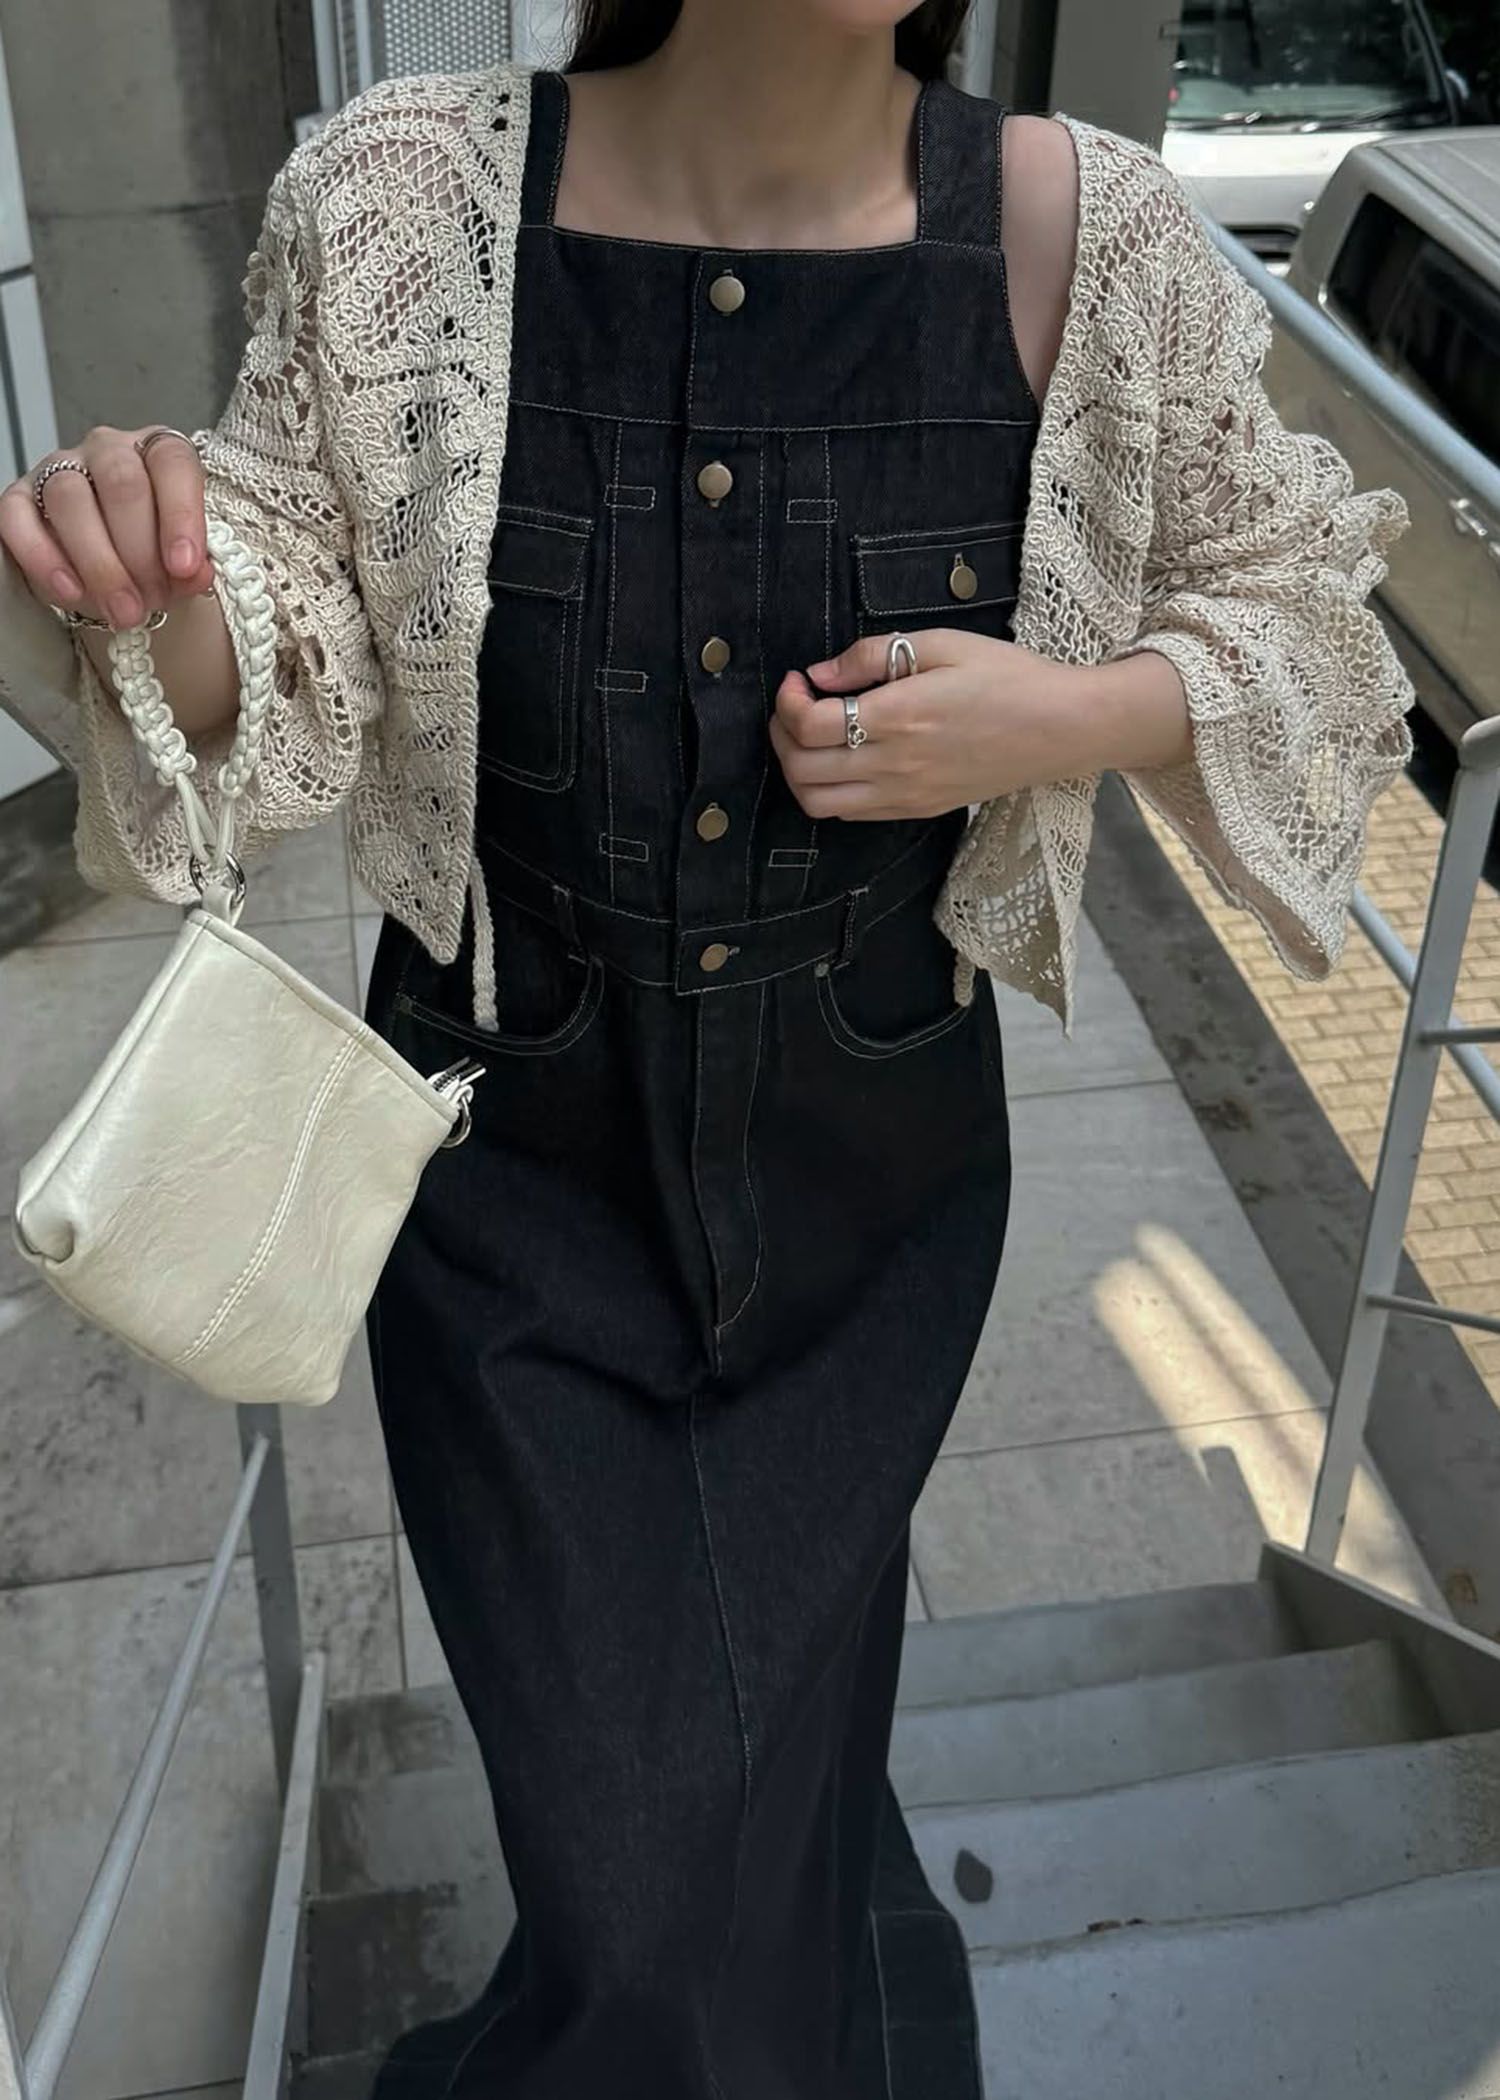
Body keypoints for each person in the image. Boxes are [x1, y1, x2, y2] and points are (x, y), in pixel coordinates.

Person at [0, 1, 1415, 2093]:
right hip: (507, 1175)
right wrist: (151, 585)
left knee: (791, 1735)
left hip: (880, 1183)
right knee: (633, 1870)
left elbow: (1305, 622)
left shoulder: (1085, 235)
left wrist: (1056, 714)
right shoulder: (402, 197)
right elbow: (289, 623)